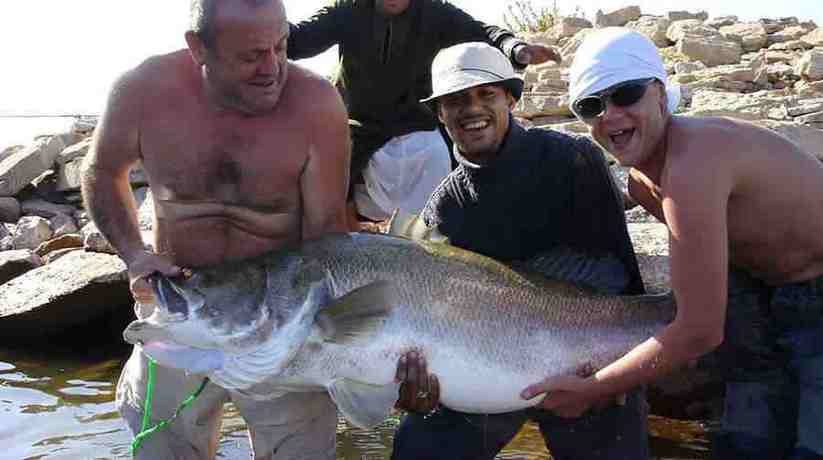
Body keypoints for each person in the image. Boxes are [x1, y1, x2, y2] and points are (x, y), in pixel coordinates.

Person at [80, 0, 432, 458]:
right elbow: (102, 171)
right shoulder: (143, 91)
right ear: (198, 48)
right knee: (161, 447)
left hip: (285, 326)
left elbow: (326, 239)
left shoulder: (316, 106)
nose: (272, 68)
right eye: (250, 56)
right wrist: (135, 254)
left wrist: (367, 351)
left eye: (281, 47)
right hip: (180, 313)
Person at [524, 27, 823, 460]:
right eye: (591, 106)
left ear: (660, 94)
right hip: (757, 285)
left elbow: (699, 330)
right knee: (745, 439)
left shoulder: (694, 159)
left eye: (625, 94)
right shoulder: (644, 185)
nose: (609, 115)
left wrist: (593, 389)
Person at [389, 41, 650, 460]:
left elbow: (619, 279)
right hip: (485, 366)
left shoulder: (574, 160)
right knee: (417, 448)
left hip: (591, 355)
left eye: (485, 94)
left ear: (511, 97)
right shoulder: (444, 208)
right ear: (440, 113)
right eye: (454, 101)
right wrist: (418, 392)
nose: (470, 109)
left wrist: (607, 383)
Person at [287, 0, 560, 226]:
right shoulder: (347, 11)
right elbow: (298, 40)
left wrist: (516, 48)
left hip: (419, 119)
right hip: (362, 124)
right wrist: (255, 22)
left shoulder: (435, 12)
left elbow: (481, 32)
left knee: (463, 159)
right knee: (331, 166)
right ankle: (349, 237)